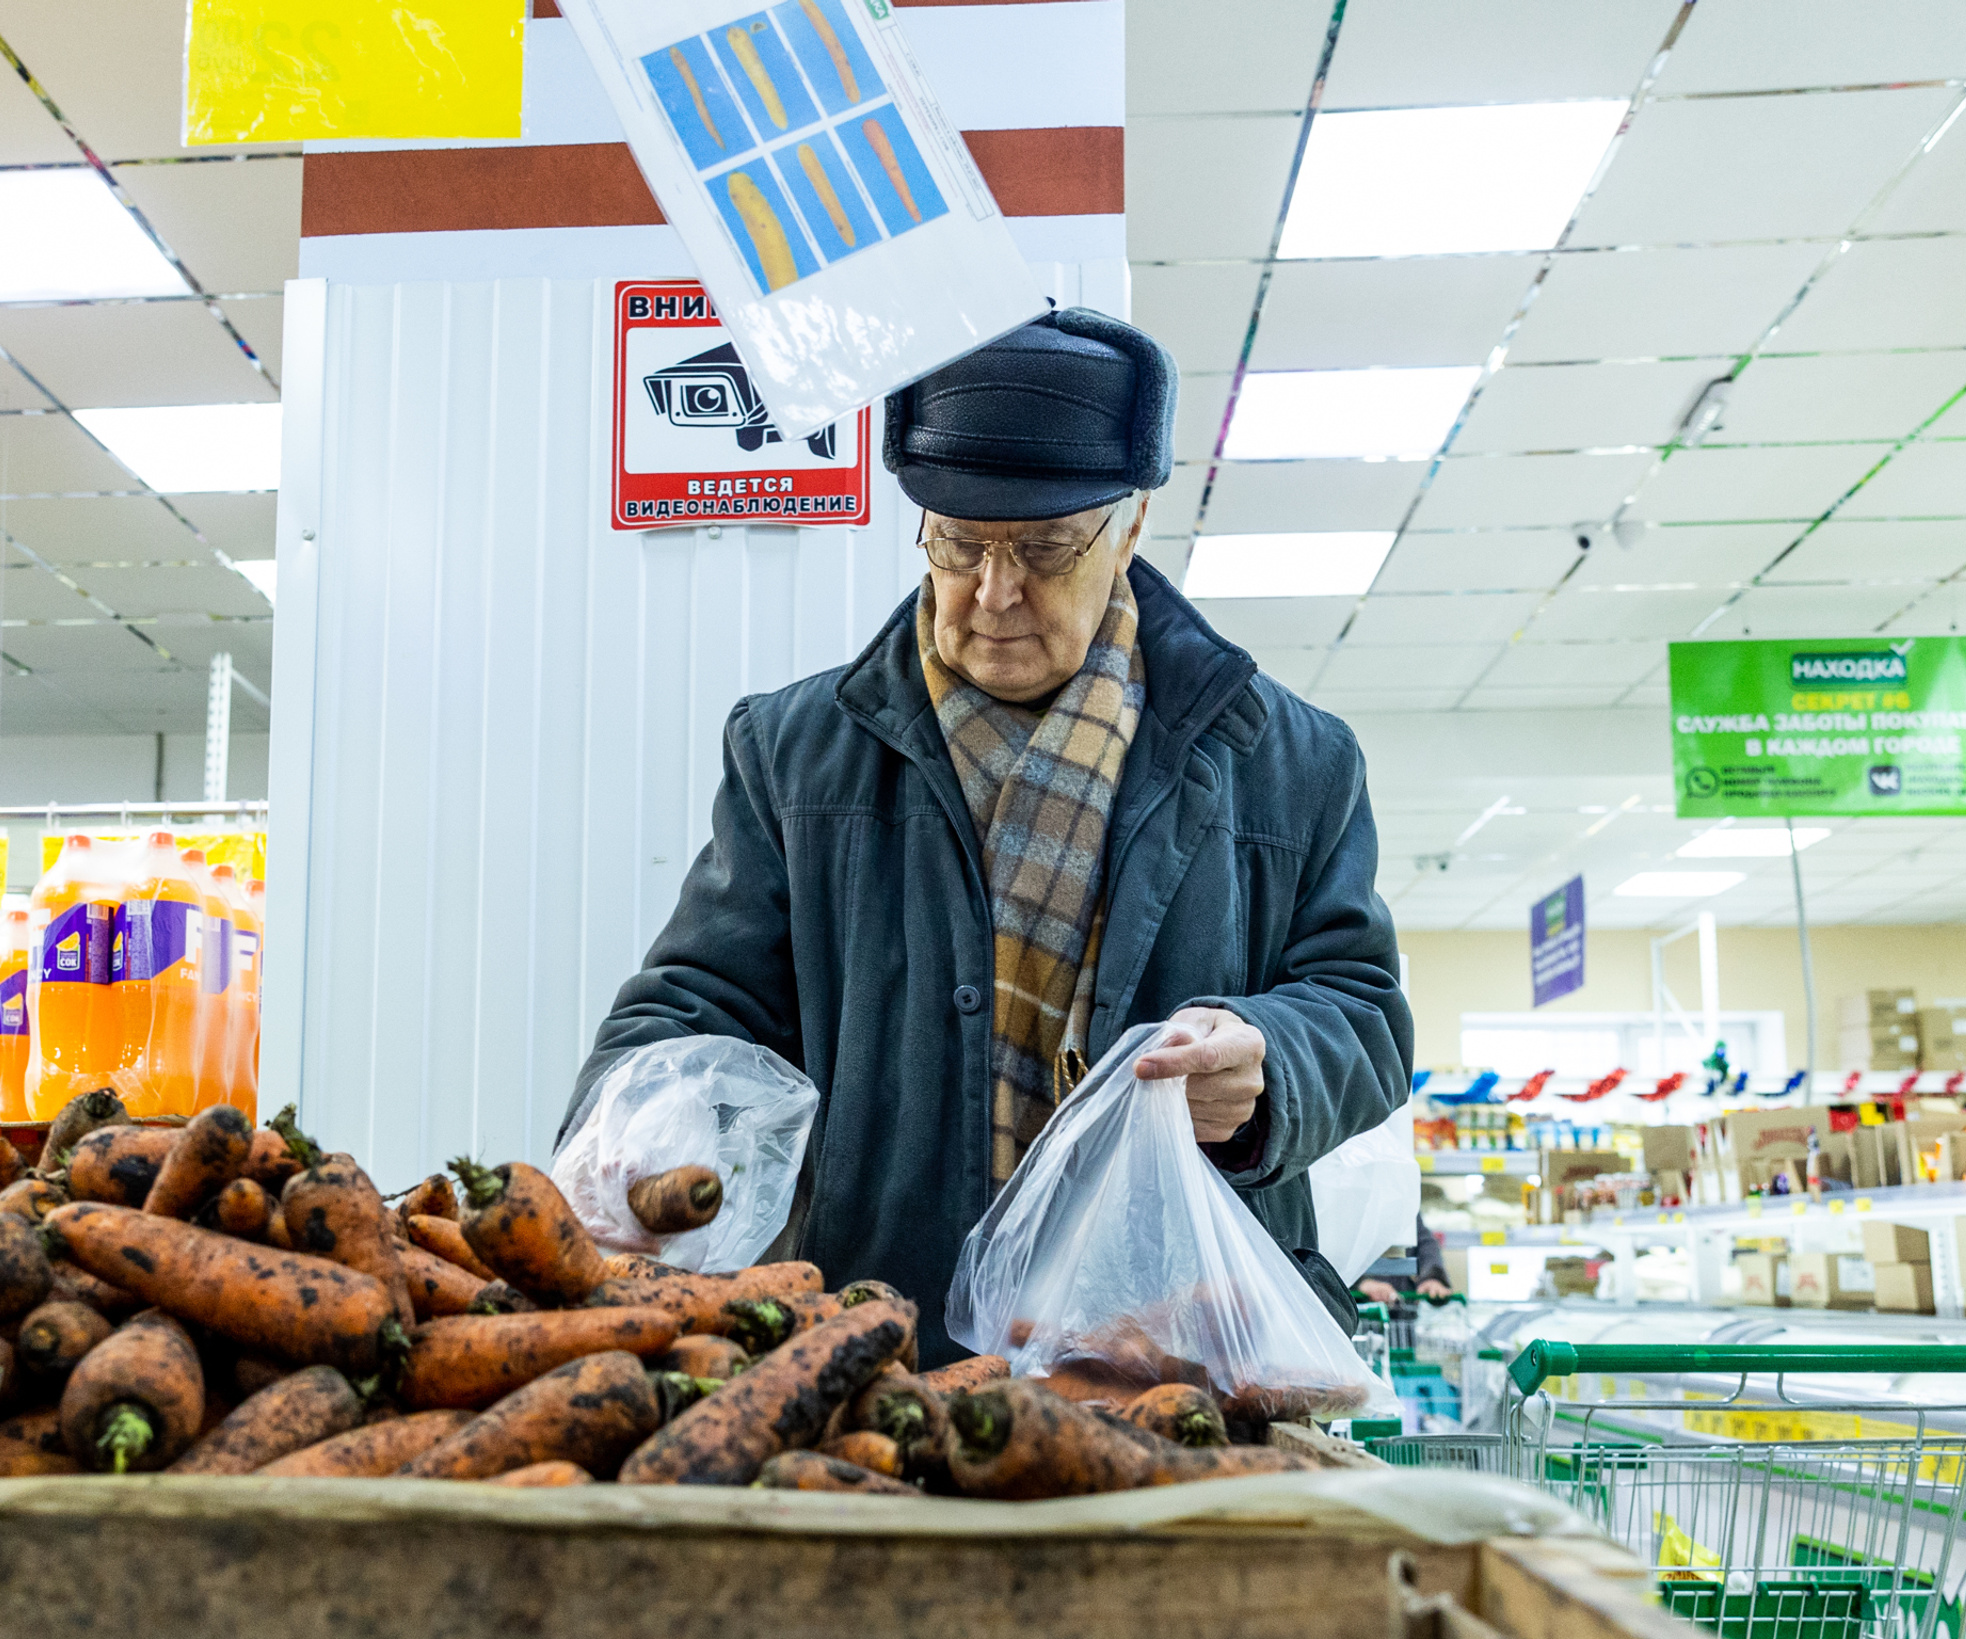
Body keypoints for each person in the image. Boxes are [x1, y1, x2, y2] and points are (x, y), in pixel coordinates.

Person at [571, 309, 1412, 1354]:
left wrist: (1271, 1060)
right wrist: (648, 1126)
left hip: (1180, 1349)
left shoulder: (1291, 760)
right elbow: (700, 1000)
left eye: (1048, 548)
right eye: (958, 544)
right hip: (877, 1350)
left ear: (1133, 522)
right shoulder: (794, 752)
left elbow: (1365, 1010)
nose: (994, 591)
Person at [1357, 1219, 1453, 1306]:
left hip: (1402, 1310)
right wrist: (1360, 1283)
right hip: (1356, 1310)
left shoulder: (1404, 1203)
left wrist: (1432, 1277)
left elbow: (1424, 1242)